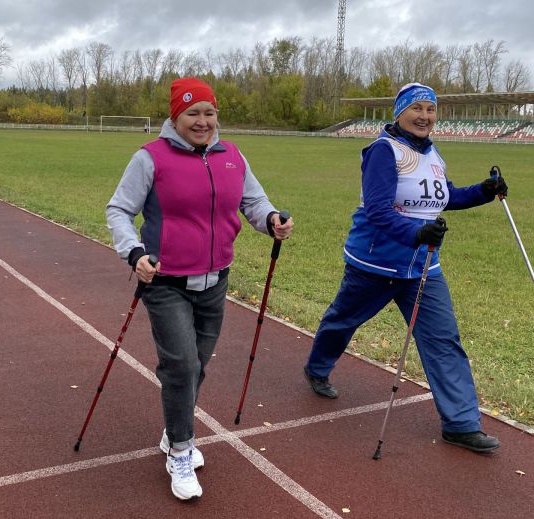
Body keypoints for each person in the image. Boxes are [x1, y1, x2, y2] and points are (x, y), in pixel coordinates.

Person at [106, 77, 292, 500]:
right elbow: (119, 209)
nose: (203, 121)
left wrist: (271, 220)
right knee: (182, 366)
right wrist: (134, 253)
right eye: (193, 113)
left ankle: (174, 431)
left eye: (209, 112)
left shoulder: (232, 156)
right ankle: (182, 451)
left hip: (215, 280)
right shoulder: (149, 158)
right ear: (175, 116)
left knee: (198, 365)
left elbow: (254, 203)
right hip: (165, 280)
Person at [302, 83, 508, 454]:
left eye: (431, 110)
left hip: (424, 267)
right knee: (342, 320)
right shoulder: (383, 151)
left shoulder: (433, 154)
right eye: (417, 109)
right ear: (399, 112)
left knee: (444, 341)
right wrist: (417, 232)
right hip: (375, 263)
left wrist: (483, 190)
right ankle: (317, 367)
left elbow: (445, 196)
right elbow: (379, 211)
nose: (425, 116)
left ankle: (461, 423)